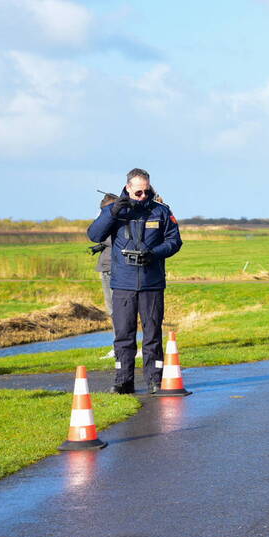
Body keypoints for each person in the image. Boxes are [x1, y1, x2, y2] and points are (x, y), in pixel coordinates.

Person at [87, 168, 182, 394]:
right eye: (138, 192)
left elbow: (174, 241)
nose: (142, 196)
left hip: (152, 282)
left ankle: (154, 380)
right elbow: (94, 235)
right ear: (128, 188)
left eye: (145, 192)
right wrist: (112, 214)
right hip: (123, 284)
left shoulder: (160, 211)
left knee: (152, 334)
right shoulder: (113, 210)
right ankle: (123, 381)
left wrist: (154, 253)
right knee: (123, 335)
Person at [88, 193, 117, 359]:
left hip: (114, 268)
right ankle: (120, 345)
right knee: (113, 310)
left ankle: (121, 346)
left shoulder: (116, 219)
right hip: (107, 266)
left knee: (116, 310)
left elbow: (109, 237)